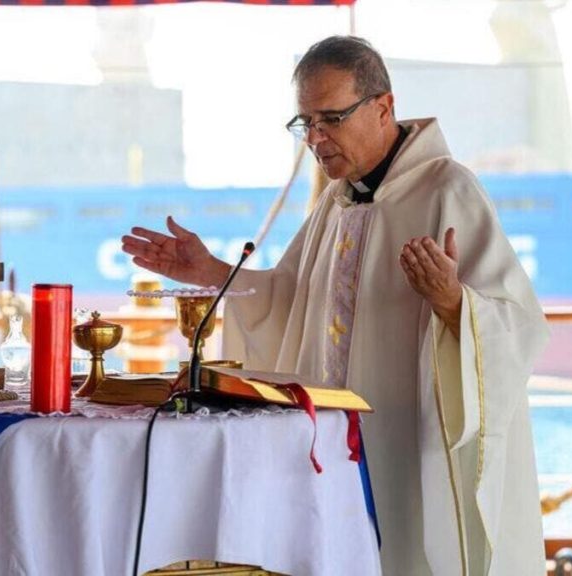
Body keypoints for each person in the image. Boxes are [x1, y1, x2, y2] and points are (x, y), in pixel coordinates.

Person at [121, 35, 549, 576]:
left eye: (331, 119)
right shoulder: (337, 200)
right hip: (335, 451)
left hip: (405, 448)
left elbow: (519, 326)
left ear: (383, 108)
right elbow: (290, 303)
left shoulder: (448, 189)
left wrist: (452, 303)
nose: (316, 140)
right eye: (305, 124)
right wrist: (210, 273)